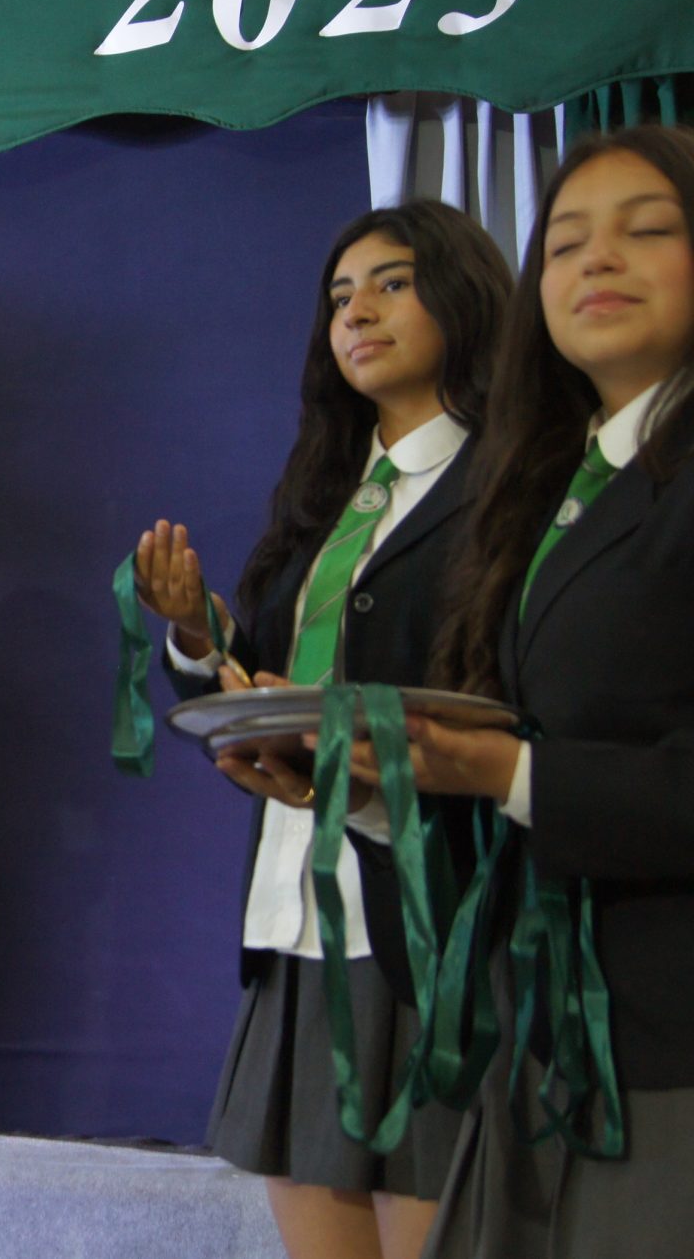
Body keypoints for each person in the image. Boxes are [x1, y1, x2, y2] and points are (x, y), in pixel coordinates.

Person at [133, 201, 511, 1259]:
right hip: (299, 908)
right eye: (339, 297)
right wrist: (197, 635)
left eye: (390, 284)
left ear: (463, 298)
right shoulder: (329, 492)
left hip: (427, 915)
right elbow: (272, 676)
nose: (357, 313)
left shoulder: (508, 485)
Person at [346, 125, 694, 1258]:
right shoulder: (544, 488)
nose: (598, 261)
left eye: (647, 230)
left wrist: (514, 772)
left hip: (666, 1053)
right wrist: (370, 790)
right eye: (565, 243)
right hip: (542, 1036)